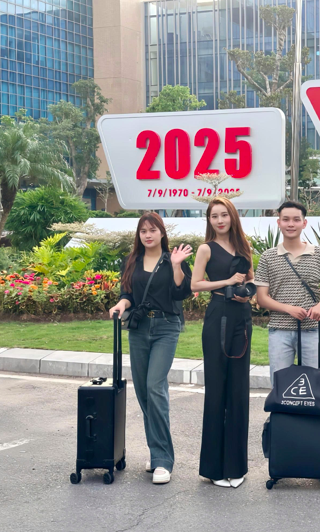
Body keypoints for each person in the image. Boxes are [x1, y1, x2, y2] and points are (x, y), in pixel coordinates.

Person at [109, 212, 193, 485]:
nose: (148, 235)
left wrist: (177, 266)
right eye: (143, 230)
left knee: (155, 387)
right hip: (139, 328)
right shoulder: (131, 260)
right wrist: (121, 305)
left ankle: (163, 460)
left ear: (162, 233)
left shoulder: (173, 259)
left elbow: (182, 293)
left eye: (153, 230)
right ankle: (157, 451)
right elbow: (127, 294)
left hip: (166, 327)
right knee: (144, 392)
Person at [191, 197, 255, 489]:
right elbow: (195, 284)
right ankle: (214, 468)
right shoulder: (205, 249)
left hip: (241, 318)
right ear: (209, 220)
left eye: (224, 215)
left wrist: (245, 293)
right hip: (217, 315)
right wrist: (227, 282)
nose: (219, 220)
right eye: (214, 216)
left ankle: (236, 466)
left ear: (232, 217)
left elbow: (251, 282)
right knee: (216, 391)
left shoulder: (244, 247)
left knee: (238, 391)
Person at [254, 201, 320, 382]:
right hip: (279, 330)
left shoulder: (319, 254)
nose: (291, 224)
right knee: (280, 384)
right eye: (285, 219)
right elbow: (261, 298)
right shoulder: (268, 257)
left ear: (304, 223)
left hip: (311, 330)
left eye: (296, 220)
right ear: (279, 222)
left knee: (314, 384)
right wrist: (289, 309)